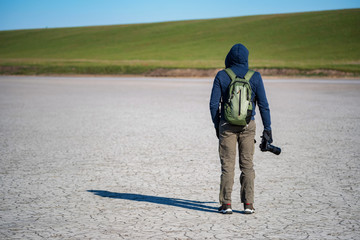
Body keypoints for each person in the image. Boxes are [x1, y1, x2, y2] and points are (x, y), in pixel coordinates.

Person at [209, 43, 272, 214]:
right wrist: (268, 129)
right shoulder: (255, 76)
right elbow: (263, 105)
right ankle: (248, 205)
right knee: (247, 166)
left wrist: (218, 126)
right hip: (247, 125)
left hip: (226, 126)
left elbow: (214, 104)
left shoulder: (222, 75)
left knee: (227, 166)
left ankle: (226, 204)